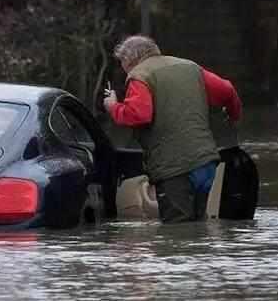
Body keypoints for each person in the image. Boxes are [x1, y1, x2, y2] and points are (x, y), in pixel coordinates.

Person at [103, 35, 242, 224]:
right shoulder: (191, 68)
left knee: (177, 232)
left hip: (174, 169)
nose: (123, 68)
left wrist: (113, 106)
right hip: (206, 163)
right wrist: (233, 115)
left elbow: (139, 115)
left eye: (122, 63)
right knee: (198, 226)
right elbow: (227, 90)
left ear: (129, 60)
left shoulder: (140, 75)